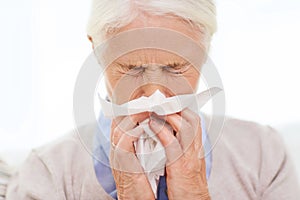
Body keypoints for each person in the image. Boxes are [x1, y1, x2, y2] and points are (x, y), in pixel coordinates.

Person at [5, 0, 300, 199]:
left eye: (175, 68)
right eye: (132, 69)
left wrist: (194, 192)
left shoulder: (264, 156)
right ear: (96, 50)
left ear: (205, 50)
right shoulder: (48, 174)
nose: (153, 94)